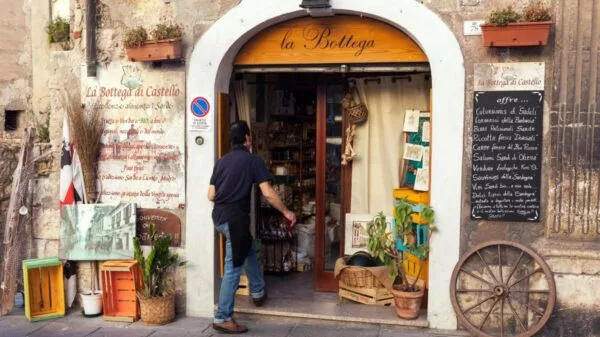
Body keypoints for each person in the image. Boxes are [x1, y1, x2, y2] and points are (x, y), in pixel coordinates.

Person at [208, 121, 296, 334]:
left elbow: (211, 194)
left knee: (247, 250)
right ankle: (223, 317)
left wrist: (228, 194)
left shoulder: (222, 162)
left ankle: (257, 291)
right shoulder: (252, 160)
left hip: (219, 217)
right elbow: (268, 193)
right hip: (235, 219)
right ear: (247, 138)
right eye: (250, 136)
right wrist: (287, 212)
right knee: (233, 268)